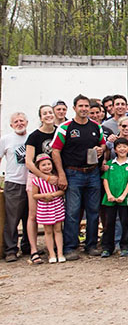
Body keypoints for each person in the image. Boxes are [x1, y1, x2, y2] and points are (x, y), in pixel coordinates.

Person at [51, 95, 106, 260]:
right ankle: (70, 247)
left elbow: (103, 143)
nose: (84, 109)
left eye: (86, 106)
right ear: (74, 108)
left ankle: (91, 245)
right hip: (73, 173)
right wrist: (61, 174)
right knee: (73, 212)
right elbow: (55, 151)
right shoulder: (65, 127)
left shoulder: (96, 126)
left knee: (93, 211)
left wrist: (101, 149)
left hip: (93, 173)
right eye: (80, 106)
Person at [24, 105, 57, 263]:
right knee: (33, 214)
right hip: (36, 178)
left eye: (50, 112)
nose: (48, 115)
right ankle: (34, 249)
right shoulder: (34, 136)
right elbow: (29, 162)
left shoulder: (59, 131)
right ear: (40, 117)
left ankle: (54, 246)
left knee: (55, 214)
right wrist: (45, 177)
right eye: (45, 114)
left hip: (54, 178)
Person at [1, 112, 30, 263]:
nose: (19, 123)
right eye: (16, 121)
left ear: (27, 122)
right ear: (11, 125)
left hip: (31, 183)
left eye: (22, 121)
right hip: (14, 183)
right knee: (12, 219)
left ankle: (28, 245)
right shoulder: (6, 140)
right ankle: (11, 249)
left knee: (30, 217)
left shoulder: (31, 137)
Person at [100, 138, 128, 257]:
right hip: (110, 199)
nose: (122, 149)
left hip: (124, 199)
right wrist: (109, 194)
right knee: (109, 223)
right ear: (115, 149)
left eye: (124, 146)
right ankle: (107, 247)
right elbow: (105, 179)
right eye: (119, 147)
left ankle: (124, 246)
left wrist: (123, 195)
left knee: (125, 222)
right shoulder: (110, 164)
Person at [31, 154, 65, 263]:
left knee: (58, 229)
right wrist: (45, 196)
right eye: (43, 165)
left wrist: (53, 195)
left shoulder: (56, 177)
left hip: (56, 205)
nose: (47, 167)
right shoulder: (37, 181)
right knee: (48, 231)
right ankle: (51, 254)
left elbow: (62, 191)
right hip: (44, 207)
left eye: (49, 164)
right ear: (38, 167)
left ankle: (60, 252)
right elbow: (34, 195)